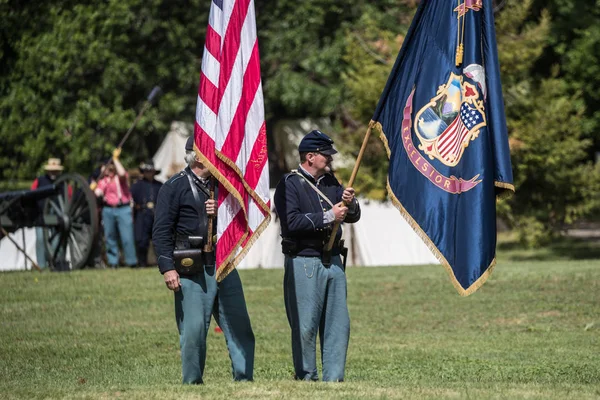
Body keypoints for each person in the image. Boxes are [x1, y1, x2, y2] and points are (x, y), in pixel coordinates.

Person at [152, 136, 254, 384]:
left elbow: (239, 221)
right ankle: (193, 383)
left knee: (239, 324)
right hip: (190, 265)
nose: (218, 158)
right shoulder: (173, 187)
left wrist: (221, 212)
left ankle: (244, 379)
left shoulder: (224, 186)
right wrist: (167, 268)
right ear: (198, 156)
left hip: (222, 260)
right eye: (212, 153)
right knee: (194, 330)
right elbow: (162, 231)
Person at [273, 129, 361, 382]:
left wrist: (350, 203)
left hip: (333, 259)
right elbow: (291, 223)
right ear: (310, 157)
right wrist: (329, 216)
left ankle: (334, 378)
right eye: (325, 155)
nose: (330, 159)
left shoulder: (332, 182)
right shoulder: (290, 184)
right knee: (305, 325)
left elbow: (352, 216)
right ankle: (306, 375)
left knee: (338, 324)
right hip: (304, 260)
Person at [93, 148, 137, 268]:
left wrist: (115, 160)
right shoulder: (103, 181)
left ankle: (131, 261)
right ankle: (113, 262)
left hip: (123, 208)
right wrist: (93, 187)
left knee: (127, 236)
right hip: (108, 209)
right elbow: (98, 193)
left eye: (110, 167)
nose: (109, 169)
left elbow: (122, 173)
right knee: (110, 236)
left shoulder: (120, 178)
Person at [31, 158, 64, 268]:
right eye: (51, 170)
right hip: (40, 213)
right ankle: (41, 265)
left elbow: (68, 196)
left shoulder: (63, 182)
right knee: (40, 239)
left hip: (57, 214)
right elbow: (31, 195)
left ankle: (56, 263)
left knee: (56, 240)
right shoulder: (39, 181)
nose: (53, 173)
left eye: (55, 171)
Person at [130, 161, 162, 267]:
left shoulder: (159, 185)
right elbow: (131, 199)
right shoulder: (137, 185)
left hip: (157, 215)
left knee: (159, 239)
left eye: (150, 171)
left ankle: (161, 262)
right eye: (146, 171)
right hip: (142, 215)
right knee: (141, 240)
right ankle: (142, 263)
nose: (149, 173)